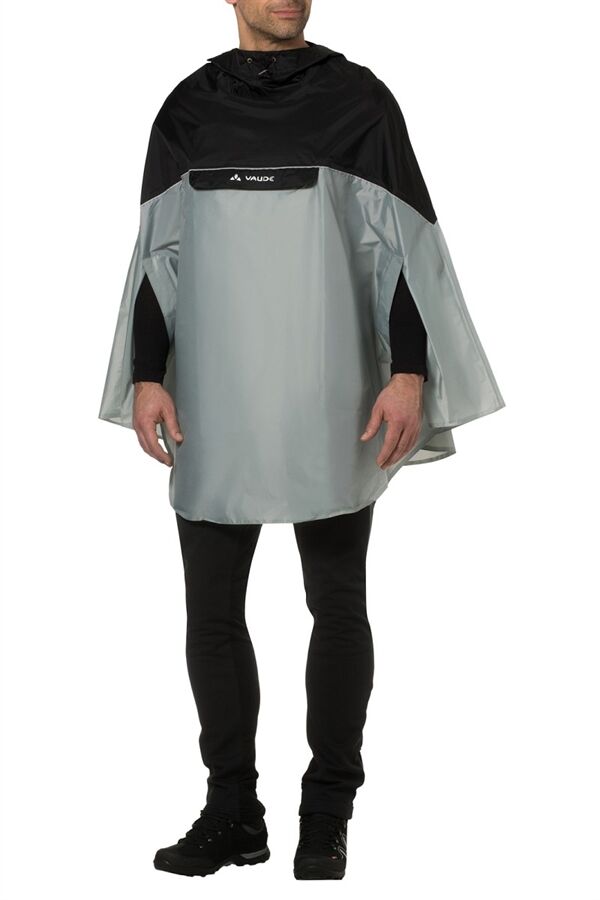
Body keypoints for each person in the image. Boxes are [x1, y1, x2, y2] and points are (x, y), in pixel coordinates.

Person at [97, 0, 505, 881]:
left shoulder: (359, 103)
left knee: (337, 603)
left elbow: (405, 245)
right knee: (211, 616)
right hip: (214, 397)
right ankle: (233, 813)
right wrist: (147, 372)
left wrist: (408, 372)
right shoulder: (188, 110)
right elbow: (156, 254)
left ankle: (327, 813)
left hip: (331, 393)